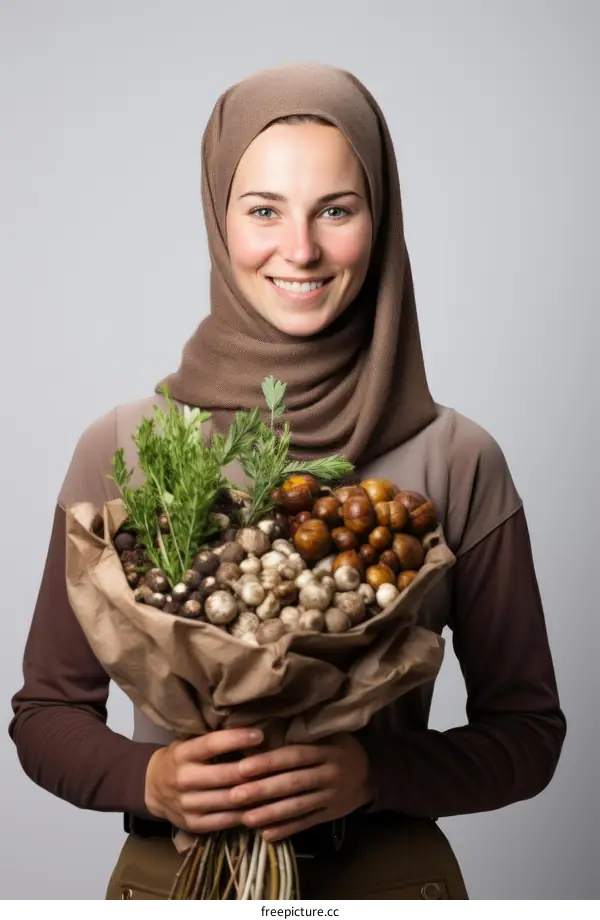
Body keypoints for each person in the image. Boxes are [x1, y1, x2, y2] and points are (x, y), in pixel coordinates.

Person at [9, 62, 566, 901]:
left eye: (336, 210)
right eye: (263, 209)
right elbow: (44, 715)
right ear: (217, 216)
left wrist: (376, 774)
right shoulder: (124, 448)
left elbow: (528, 734)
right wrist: (149, 780)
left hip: (386, 884)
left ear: (381, 219)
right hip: (173, 886)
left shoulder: (457, 458)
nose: (299, 249)